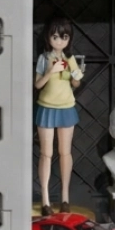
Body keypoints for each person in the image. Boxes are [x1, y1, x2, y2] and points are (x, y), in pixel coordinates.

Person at [34, 17, 85, 215]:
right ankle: (45, 199)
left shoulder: (70, 58)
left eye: (64, 37)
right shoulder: (44, 58)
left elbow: (76, 84)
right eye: (55, 37)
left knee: (65, 153)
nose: (59, 41)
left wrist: (75, 76)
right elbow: (38, 84)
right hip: (47, 107)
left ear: (69, 39)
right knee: (46, 154)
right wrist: (51, 71)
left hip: (66, 107)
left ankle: (65, 197)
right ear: (49, 38)